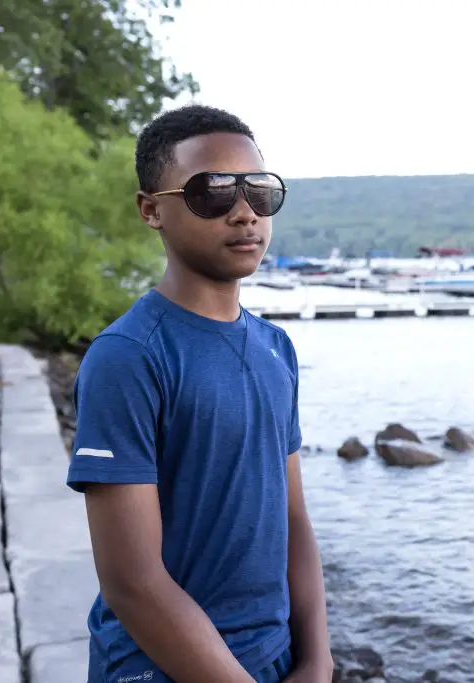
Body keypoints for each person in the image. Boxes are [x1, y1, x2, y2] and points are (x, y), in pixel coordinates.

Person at [66, 104, 333, 683]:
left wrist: (318, 658)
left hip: (274, 660)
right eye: (211, 192)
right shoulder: (129, 356)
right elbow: (133, 583)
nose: (244, 213)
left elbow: (293, 521)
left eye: (260, 192)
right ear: (151, 210)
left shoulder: (274, 348)